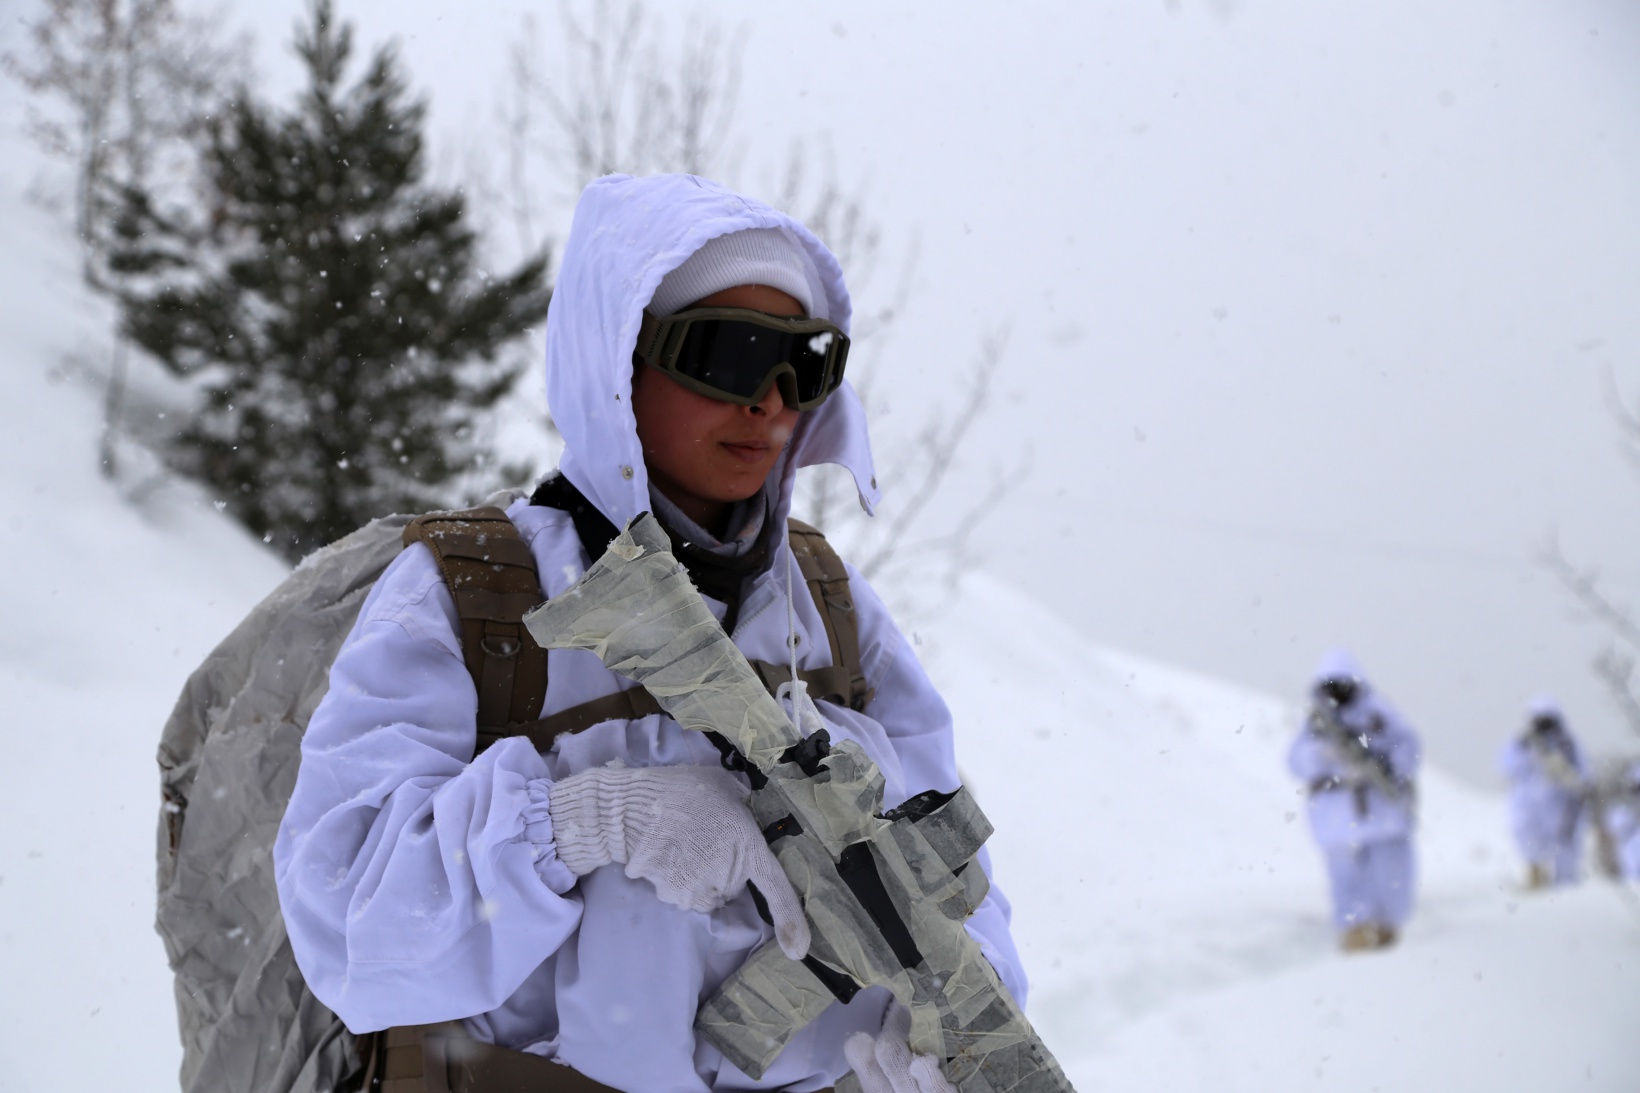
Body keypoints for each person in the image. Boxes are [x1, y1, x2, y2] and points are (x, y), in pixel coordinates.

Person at [272, 174, 1027, 1093]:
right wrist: (587, 821)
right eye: (729, 353)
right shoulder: (478, 596)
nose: (773, 401)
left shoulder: (830, 607)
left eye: (806, 363)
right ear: (618, 357)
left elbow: (954, 885)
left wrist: (949, 1043)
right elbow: (347, 923)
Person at [1287, 649, 1420, 952]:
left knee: (1390, 874)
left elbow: (1408, 747)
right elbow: (1294, 760)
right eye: (1331, 686)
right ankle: (1355, 932)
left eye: (1342, 685)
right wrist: (1321, 757)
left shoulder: (1380, 715)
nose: (1337, 693)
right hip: (1336, 811)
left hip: (1380, 806)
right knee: (1345, 877)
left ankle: (1386, 928)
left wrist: (1384, 763)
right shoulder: (1316, 723)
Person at [1500, 696, 1588, 888]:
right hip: (1528, 804)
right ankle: (1537, 880)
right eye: (1540, 721)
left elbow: (1583, 775)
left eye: (1548, 721)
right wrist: (1526, 753)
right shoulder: (1521, 744)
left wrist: (1565, 774)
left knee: (1564, 848)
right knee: (1529, 841)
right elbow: (1507, 767)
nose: (1544, 726)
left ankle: (1566, 888)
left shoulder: (1568, 744)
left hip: (1561, 805)